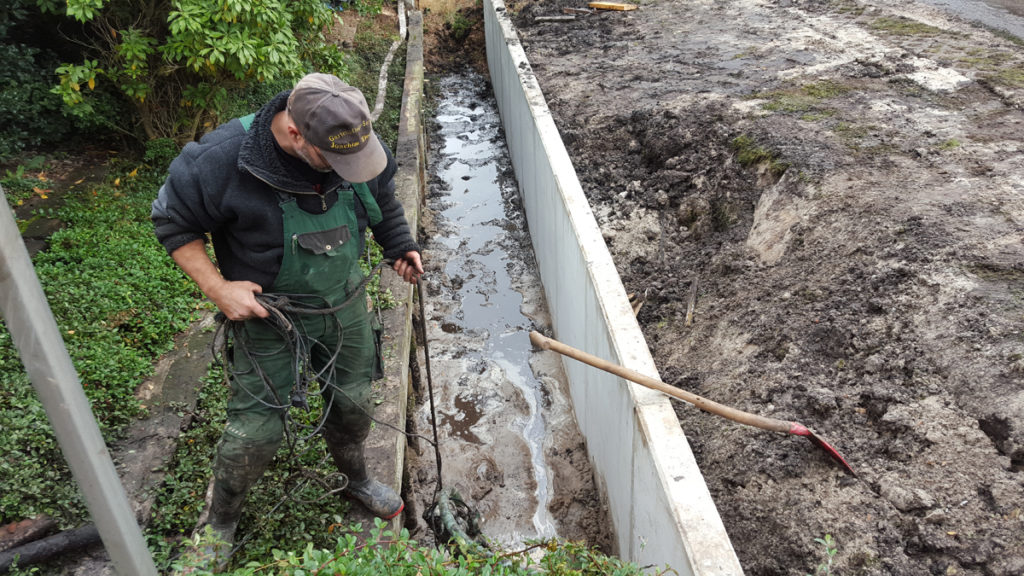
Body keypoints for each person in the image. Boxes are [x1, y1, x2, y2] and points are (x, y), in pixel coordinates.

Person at [151, 73, 423, 563]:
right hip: (267, 315)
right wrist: (218, 289)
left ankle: (355, 478)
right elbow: (173, 222)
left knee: (353, 403)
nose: (348, 168)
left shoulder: (350, 136)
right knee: (256, 431)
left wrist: (400, 244)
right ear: (296, 133)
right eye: (335, 162)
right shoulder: (220, 160)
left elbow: (380, 194)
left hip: (342, 304)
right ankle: (220, 525)